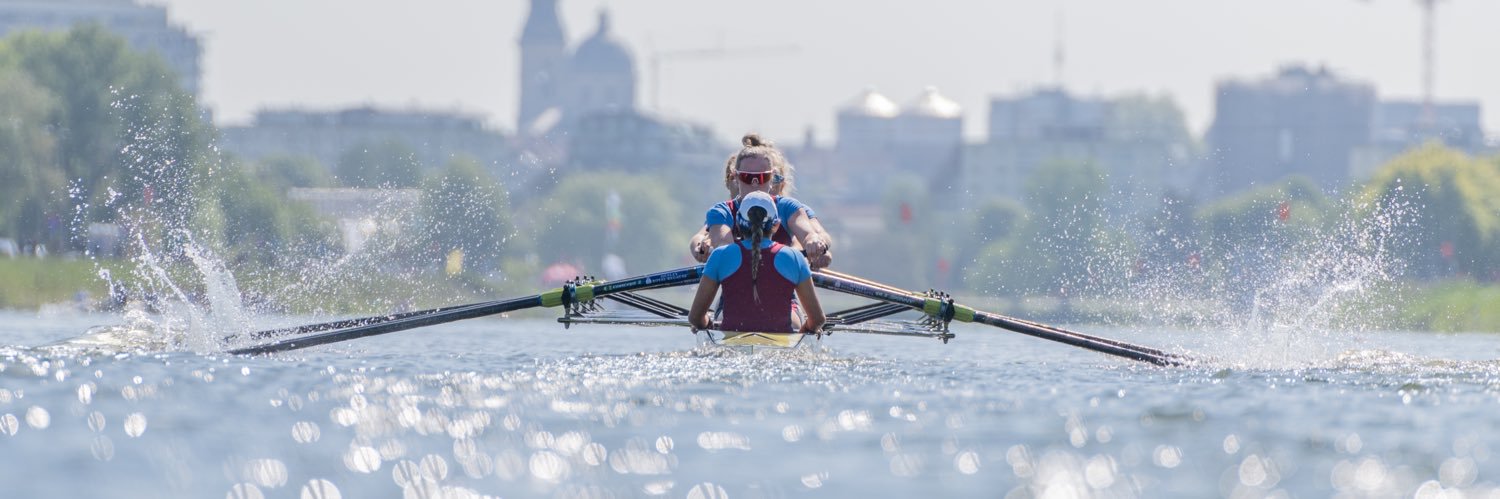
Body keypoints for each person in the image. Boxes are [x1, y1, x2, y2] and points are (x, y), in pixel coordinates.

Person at [689, 134, 834, 269]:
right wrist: (702, 247)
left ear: (775, 180)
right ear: (735, 179)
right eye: (747, 177)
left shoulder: (791, 208)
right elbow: (703, 238)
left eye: (762, 177)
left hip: (782, 275)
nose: (755, 185)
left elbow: (815, 235)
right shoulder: (722, 212)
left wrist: (814, 247)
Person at [689, 191, 826, 336]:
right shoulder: (794, 257)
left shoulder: (720, 255)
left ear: (738, 224)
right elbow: (817, 320)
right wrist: (806, 330)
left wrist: (708, 325)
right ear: (776, 225)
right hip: (781, 346)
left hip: (732, 343)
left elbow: (695, 318)